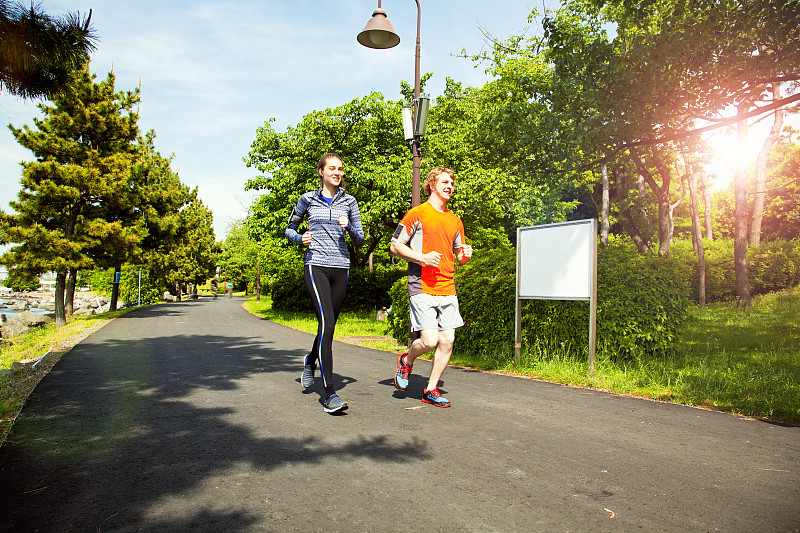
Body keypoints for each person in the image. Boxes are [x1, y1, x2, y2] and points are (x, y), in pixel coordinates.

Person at [286, 152, 365, 414]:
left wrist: (348, 227)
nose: (337, 172)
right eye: (332, 168)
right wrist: (300, 239)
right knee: (328, 324)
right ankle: (329, 393)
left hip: (341, 267)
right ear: (321, 171)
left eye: (340, 169)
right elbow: (289, 228)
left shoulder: (350, 202)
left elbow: (360, 240)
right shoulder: (307, 199)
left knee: (327, 326)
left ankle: (310, 360)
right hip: (316, 265)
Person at [390, 167, 473, 408]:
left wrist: (466, 254)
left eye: (452, 183)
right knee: (428, 341)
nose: (450, 186)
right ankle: (407, 359)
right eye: (445, 182)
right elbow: (395, 246)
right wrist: (422, 257)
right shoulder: (416, 214)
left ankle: (431, 389)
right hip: (421, 284)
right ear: (432, 185)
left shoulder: (455, 220)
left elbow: (460, 256)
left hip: (447, 287)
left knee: (447, 340)